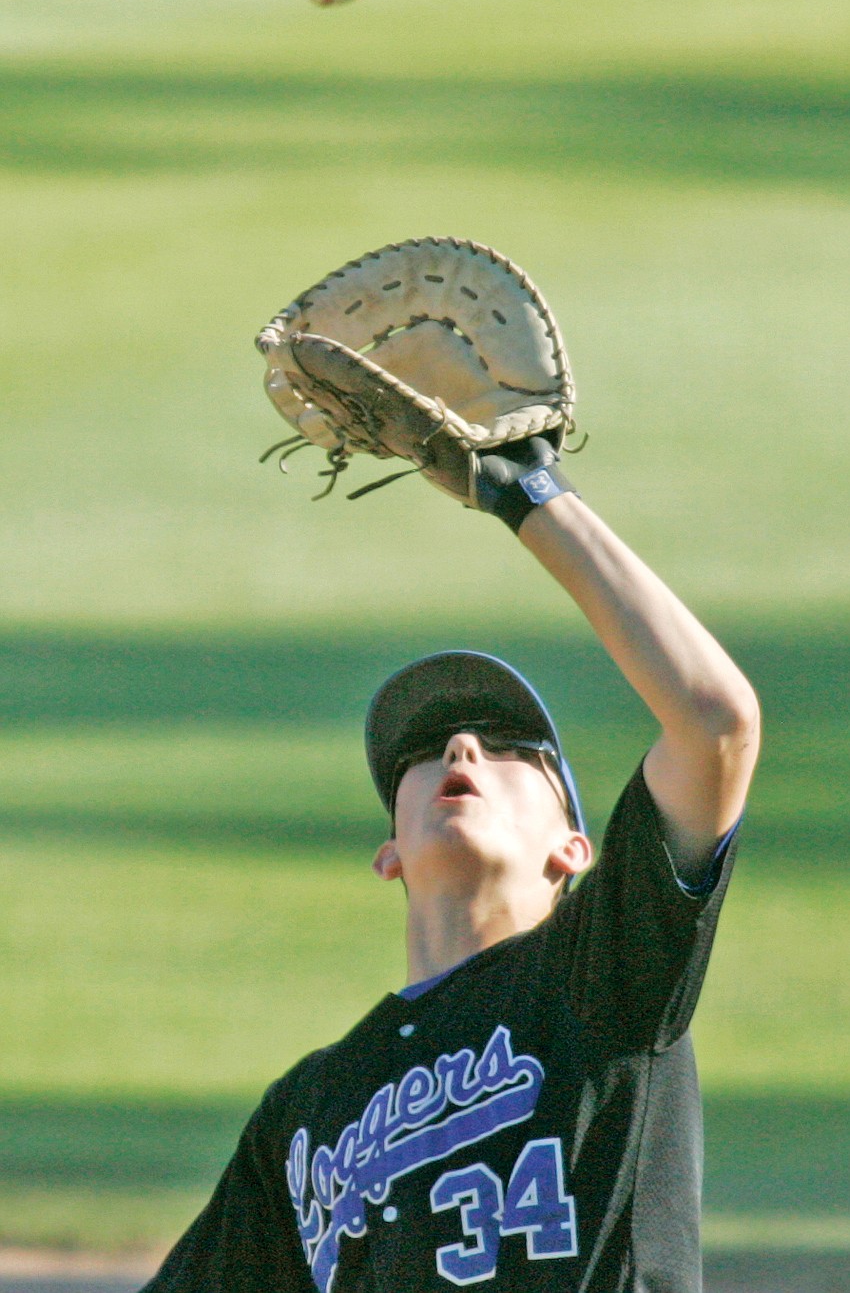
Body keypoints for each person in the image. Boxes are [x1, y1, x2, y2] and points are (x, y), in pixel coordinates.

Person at [140, 440, 760, 1293]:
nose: (461, 747)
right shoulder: (308, 1108)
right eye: (425, 753)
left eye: (510, 750)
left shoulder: (600, 978)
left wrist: (532, 495)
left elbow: (716, 721)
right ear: (389, 850)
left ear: (573, 848)